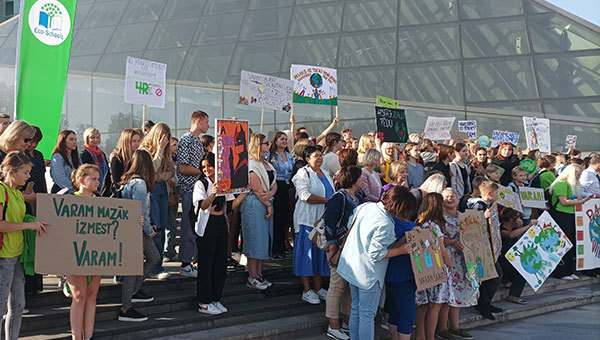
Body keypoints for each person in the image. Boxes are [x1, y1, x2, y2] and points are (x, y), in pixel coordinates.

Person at [336, 186, 416, 340]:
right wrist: (401, 251)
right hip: (369, 274)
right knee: (366, 315)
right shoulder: (386, 223)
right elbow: (376, 253)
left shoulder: (366, 206)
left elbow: (350, 225)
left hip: (352, 266)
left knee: (357, 310)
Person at [0, 152, 48, 340]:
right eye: (25, 172)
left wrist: (33, 221)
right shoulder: (2, 190)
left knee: (18, 304)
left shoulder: (18, 194)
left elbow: (19, 220)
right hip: (4, 256)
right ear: (12, 171)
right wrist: (29, 225)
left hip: (17, 254)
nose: (29, 176)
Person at [193, 152, 247, 315]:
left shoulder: (222, 182)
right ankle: (204, 301)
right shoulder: (201, 184)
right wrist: (214, 193)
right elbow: (202, 205)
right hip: (207, 225)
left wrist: (244, 193)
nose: (207, 169)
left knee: (219, 264)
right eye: (204, 167)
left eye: (209, 166)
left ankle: (216, 298)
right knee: (207, 264)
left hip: (221, 224)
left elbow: (231, 206)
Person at [118, 150, 161, 322]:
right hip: (136, 229)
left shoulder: (128, 181)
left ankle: (134, 291)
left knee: (153, 257)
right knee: (133, 267)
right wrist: (150, 231)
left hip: (132, 227)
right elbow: (140, 211)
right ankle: (126, 307)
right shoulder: (140, 184)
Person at [66, 165, 105, 340]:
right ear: (81, 180)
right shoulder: (68, 199)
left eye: (98, 178)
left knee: (92, 296)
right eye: (93, 179)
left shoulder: (102, 201)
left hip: (96, 253)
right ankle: (77, 337)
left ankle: (88, 336)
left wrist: (136, 220)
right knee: (79, 296)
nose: (98, 182)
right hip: (74, 254)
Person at [323, 166, 363, 340]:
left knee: (348, 286)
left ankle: (347, 322)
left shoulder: (359, 197)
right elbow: (329, 222)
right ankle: (333, 326)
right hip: (339, 245)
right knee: (337, 285)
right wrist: (332, 247)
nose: (363, 180)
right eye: (360, 178)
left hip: (353, 246)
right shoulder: (338, 197)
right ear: (353, 179)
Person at [292, 145, 332, 303]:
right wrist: (327, 201)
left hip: (323, 221)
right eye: (316, 156)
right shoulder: (303, 174)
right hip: (307, 220)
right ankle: (306, 290)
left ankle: (318, 287)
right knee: (306, 255)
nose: (320, 158)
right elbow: (304, 195)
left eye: (321, 155)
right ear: (307, 159)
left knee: (319, 254)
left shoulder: (326, 173)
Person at [437, 188, 476, 340]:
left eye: (453, 196)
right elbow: (435, 239)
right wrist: (452, 242)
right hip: (447, 258)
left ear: (458, 199)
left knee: (457, 294)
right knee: (446, 294)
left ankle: (455, 327)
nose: (450, 199)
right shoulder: (439, 217)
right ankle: (442, 328)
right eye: (446, 197)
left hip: (462, 259)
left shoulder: (464, 216)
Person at [414, 193, 453, 340]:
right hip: (436, 267)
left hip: (422, 267)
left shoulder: (419, 222)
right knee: (435, 306)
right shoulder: (433, 225)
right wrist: (449, 264)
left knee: (423, 305)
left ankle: (421, 336)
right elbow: (441, 250)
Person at [140, 123, 175, 280]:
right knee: (155, 228)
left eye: (168, 137)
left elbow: (171, 172)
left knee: (161, 227)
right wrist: (160, 150)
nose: (165, 140)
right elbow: (150, 169)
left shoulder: (167, 152)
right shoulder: (145, 149)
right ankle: (154, 266)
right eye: (163, 137)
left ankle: (158, 264)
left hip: (162, 189)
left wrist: (160, 176)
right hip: (150, 191)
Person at [177, 110, 210, 277]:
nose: (208, 126)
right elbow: (182, 167)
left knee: (197, 226)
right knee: (189, 226)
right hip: (190, 189)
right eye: (206, 122)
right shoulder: (186, 140)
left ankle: (191, 260)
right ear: (198, 121)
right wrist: (202, 171)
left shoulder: (196, 141)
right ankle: (184, 262)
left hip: (199, 189)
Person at [242, 134, 277, 290]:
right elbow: (256, 188)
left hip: (266, 200)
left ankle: (259, 274)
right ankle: (252, 276)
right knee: (254, 239)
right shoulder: (251, 164)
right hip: (254, 204)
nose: (268, 145)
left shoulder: (266, 163)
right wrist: (268, 204)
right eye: (265, 143)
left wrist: (271, 194)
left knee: (263, 240)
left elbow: (274, 183)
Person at [384, 190, 420, 340]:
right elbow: (389, 247)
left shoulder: (406, 221)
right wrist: (408, 237)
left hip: (408, 270)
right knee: (407, 311)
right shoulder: (390, 221)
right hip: (398, 272)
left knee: (397, 311)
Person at [467, 181, 503, 320]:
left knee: (494, 275)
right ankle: (482, 304)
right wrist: (483, 217)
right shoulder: (479, 205)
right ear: (489, 193)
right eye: (496, 193)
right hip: (482, 246)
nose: (498, 195)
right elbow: (471, 223)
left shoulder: (488, 205)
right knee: (494, 275)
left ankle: (485, 302)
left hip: (490, 245)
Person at [549, 164, 591, 280]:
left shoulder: (573, 185)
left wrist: (581, 200)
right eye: (578, 174)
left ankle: (569, 270)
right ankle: (560, 271)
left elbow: (576, 199)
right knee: (563, 243)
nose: (579, 176)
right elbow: (564, 202)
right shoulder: (561, 184)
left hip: (572, 214)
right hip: (561, 215)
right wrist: (581, 201)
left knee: (572, 242)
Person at [267, 131, 295, 260]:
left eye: (285, 139)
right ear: (275, 141)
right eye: (281, 139)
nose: (284, 141)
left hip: (287, 187)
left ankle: (282, 247)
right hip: (276, 186)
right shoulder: (271, 155)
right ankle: (275, 248)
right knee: (276, 220)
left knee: (284, 219)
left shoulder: (289, 156)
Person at [499, 207, 534, 304]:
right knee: (521, 271)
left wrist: (520, 227)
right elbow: (510, 235)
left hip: (510, 260)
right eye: (517, 218)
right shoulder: (501, 229)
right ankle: (514, 295)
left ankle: (508, 283)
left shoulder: (515, 229)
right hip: (502, 260)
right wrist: (528, 226)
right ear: (511, 219)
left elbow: (518, 238)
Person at [109, 129, 142, 195]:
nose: (137, 144)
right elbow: (117, 183)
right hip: (122, 194)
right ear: (126, 142)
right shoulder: (117, 159)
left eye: (138, 141)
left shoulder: (138, 157)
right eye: (134, 141)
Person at [80, 127, 109, 192]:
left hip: (104, 188)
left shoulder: (102, 154)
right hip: (91, 188)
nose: (95, 140)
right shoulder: (84, 154)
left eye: (97, 137)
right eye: (92, 137)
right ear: (87, 138)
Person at [164, 137, 179, 262]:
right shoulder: (166, 159)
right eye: (174, 145)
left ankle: (171, 250)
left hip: (174, 194)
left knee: (172, 223)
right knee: (170, 224)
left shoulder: (177, 159)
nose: (176, 148)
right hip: (167, 193)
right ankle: (167, 251)